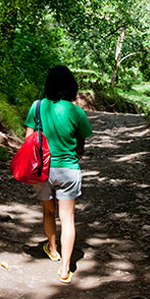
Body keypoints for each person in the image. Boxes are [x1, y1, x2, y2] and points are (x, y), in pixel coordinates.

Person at [24, 65, 93, 284]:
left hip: (42, 169)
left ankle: (52, 249)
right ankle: (65, 268)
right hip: (68, 169)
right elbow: (81, 143)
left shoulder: (37, 107)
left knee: (48, 212)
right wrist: (75, 154)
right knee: (68, 218)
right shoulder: (76, 111)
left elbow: (28, 139)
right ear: (71, 86)